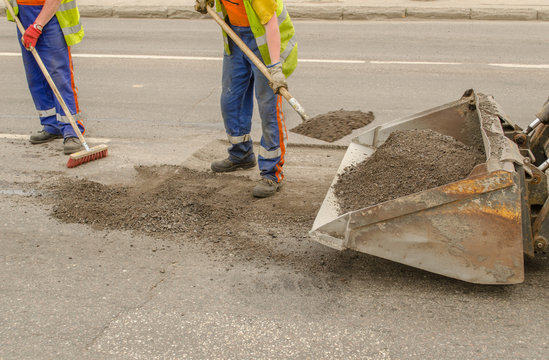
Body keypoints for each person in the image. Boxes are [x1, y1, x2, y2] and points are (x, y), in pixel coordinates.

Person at [195, 0, 298, 198]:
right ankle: (240, 154)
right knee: (231, 101)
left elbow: (271, 24)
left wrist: (275, 67)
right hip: (235, 37)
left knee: (268, 109)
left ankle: (272, 173)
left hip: (266, 45)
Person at [7, 0, 86, 155]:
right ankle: (51, 124)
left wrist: (37, 26)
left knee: (59, 76)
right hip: (24, 15)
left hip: (51, 17)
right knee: (35, 75)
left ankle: (72, 129)